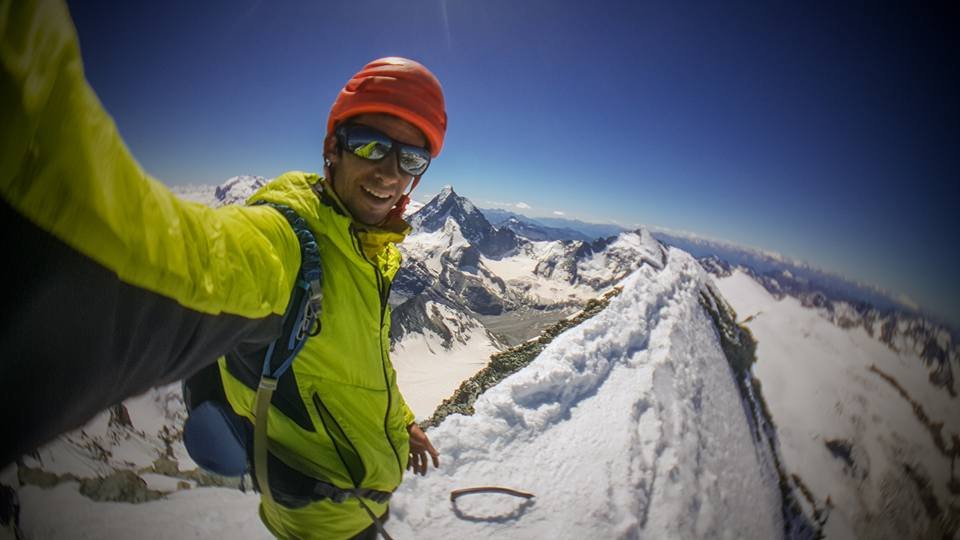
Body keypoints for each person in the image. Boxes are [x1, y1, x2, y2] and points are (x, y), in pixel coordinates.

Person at [1, 0, 443, 537]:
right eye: (371, 144)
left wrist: (403, 424)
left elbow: (362, 376)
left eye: (410, 159)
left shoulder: (371, 251)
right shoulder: (285, 247)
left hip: (360, 504)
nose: (389, 173)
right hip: (321, 522)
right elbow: (180, 260)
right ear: (333, 148)